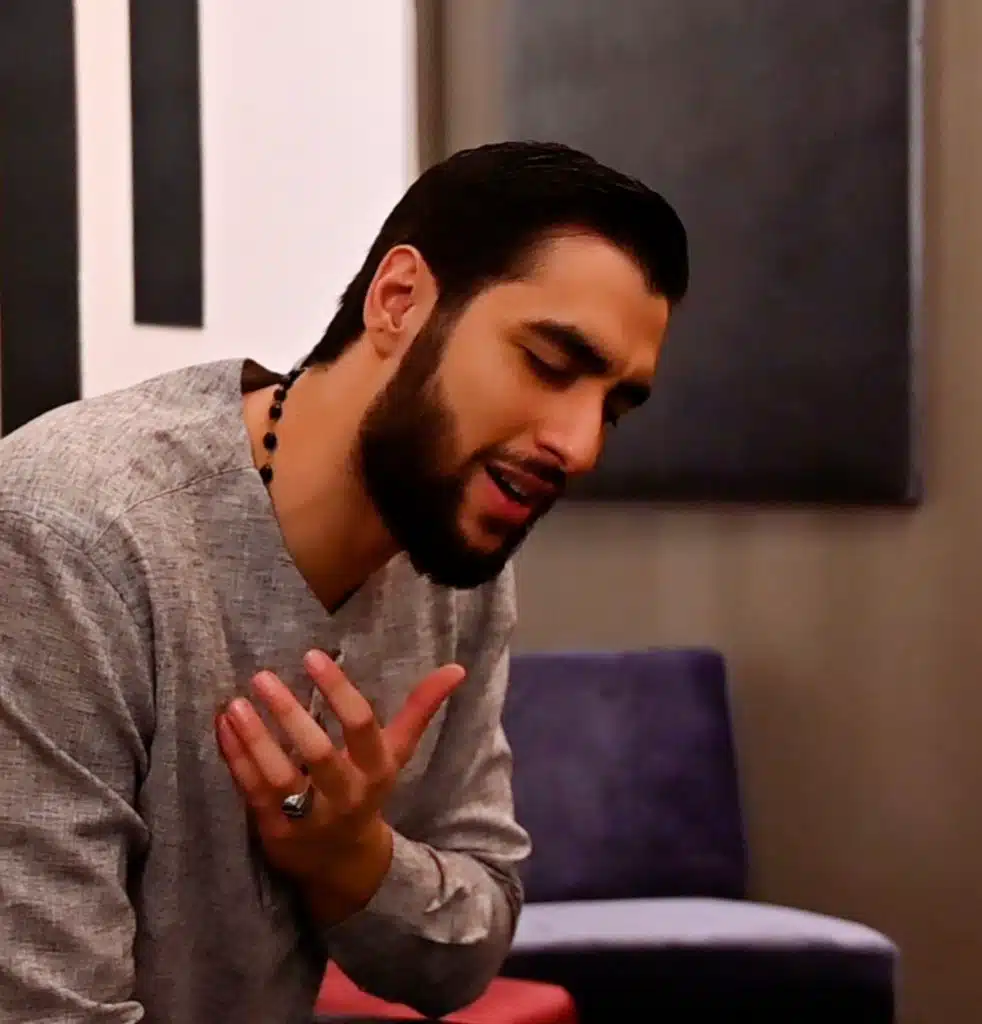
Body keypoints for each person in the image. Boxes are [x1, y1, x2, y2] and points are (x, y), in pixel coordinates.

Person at [0, 140, 688, 1023]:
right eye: (550, 365)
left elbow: (465, 953)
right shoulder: (72, 532)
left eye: (613, 409)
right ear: (399, 300)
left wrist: (348, 857)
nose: (581, 445)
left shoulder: (451, 548)